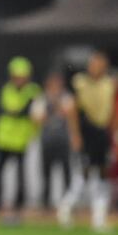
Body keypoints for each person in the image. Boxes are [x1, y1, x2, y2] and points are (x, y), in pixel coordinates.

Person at [58, 51, 116, 232]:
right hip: (86, 132)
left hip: (102, 133)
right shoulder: (79, 82)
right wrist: (75, 135)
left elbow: (113, 111)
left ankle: (99, 217)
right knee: (83, 174)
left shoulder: (110, 84)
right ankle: (66, 207)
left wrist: (116, 135)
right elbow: (72, 111)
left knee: (103, 174)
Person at [0, 57, 41, 225]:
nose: (19, 80)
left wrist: (14, 112)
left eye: (22, 76)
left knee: (20, 176)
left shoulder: (33, 91)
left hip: (21, 139)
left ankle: (17, 207)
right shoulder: (3, 89)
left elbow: (27, 111)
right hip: (2, 138)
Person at [31, 71, 77, 209]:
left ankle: (68, 201)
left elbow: (71, 116)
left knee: (66, 171)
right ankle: (46, 202)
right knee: (46, 172)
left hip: (63, 140)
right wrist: (53, 111)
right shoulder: (41, 98)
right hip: (47, 140)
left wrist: (75, 136)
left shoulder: (67, 97)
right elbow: (36, 119)